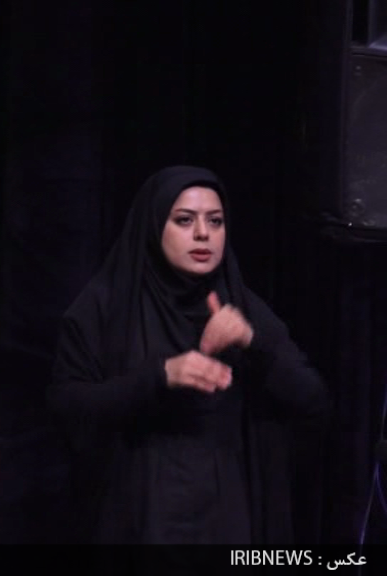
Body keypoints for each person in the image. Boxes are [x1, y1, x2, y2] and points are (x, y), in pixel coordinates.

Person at [47, 166, 328, 553]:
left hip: (227, 511)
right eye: (184, 220)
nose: (202, 234)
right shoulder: (108, 306)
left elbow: (313, 399)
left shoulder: (240, 305)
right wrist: (161, 375)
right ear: (153, 225)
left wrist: (252, 341)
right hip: (135, 509)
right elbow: (66, 405)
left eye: (215, 221)